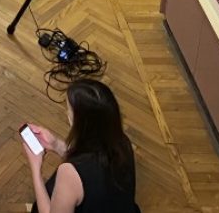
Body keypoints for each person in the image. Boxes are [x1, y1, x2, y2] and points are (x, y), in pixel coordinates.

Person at [22, 80, 138, 213]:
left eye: (69, 110)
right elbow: (89, 165)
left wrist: (36, 168)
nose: (67, 114)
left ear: (81, 123)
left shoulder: (69, 173)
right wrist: (55, 144)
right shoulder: (122, 142)